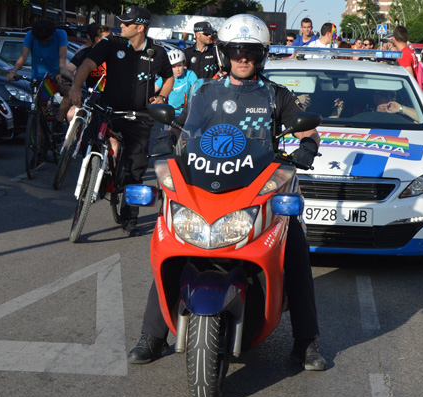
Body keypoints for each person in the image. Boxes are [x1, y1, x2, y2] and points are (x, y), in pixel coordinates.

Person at [127, 13, 327, 372]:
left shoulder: (276, 95)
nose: (242, 57)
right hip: (206, 184)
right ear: (224, 53)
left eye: (250, 50)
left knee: (294, 247)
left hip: (257, 188)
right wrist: (164, 144)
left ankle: (306, 341)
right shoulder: (205, 93)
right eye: (235, 50)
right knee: (168, 242)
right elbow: (181, 128)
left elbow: (308, 129)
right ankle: (152, 335)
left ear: (261, 54)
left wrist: (308, 147)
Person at [68, 6, 174, 237]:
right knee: (91, 142)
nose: (121, 26)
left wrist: (162, 97)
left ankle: (130, 219)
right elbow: (87, 65)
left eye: (126, 23)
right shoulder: (111, 44)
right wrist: (76, 87)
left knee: (135, 169)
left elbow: (169, 77)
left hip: (140, 118)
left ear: (140, 27)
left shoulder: (157, 52)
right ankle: (98, 171)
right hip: (108, 111)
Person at [7, 19, 70, 133]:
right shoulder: (31, 34)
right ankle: (39, 148)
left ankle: (59, 122)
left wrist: (62, 74)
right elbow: (23, 56)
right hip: (38, 77)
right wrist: (13, 72)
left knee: (69, 93)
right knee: (41, 113)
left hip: (56, 74)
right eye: (41, 40)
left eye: (47, 39)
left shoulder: (60, 34)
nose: (44, 42)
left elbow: (62, 57)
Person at [59, 23, 111, 121]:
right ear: (97, 40)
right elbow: (67, 70)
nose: (112, 41)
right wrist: (76, 80)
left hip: (110, 95)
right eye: (108, 38)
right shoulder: (85, 53)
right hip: (91, 94)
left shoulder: (114, 53)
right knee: (72, 114)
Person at [154, 49, 198, 116]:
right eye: (173, 67)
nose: (177, 69)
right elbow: (153, 89)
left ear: (184, 64)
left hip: (186, 113)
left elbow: (198, 90)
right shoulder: (167, 77)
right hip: (170, 112)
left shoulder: (190, 75)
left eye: (179, 65)